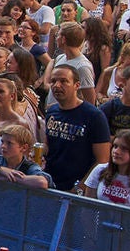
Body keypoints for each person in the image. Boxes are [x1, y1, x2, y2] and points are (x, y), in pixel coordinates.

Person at [41, 63, 111, 193]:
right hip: (50, 183)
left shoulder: (94, 116)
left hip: (76, 188)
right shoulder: (52, 111)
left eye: (63, 81)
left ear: (77, 85)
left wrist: (81, 187)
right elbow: (48, 145)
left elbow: (102, 160)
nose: (57, 85)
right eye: (53, 81)